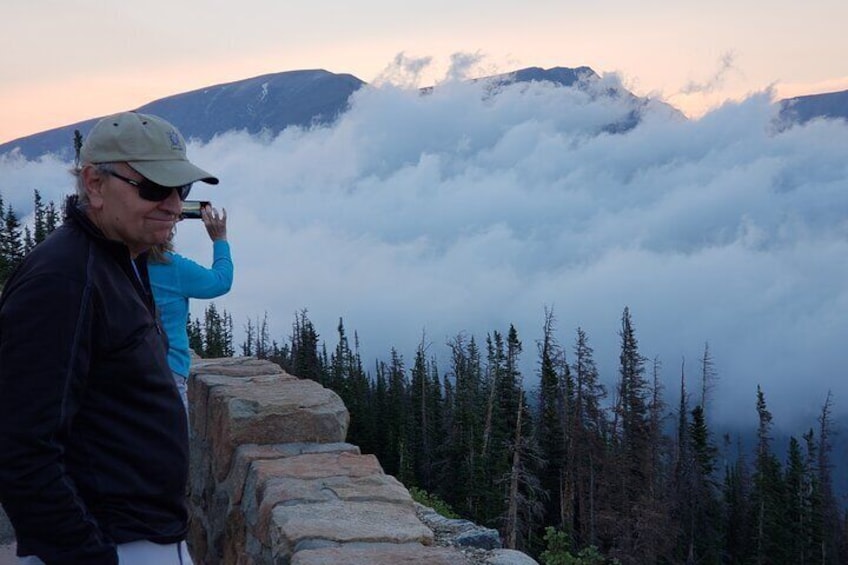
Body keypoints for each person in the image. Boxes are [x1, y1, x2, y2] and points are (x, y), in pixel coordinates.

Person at [0, 111, 218, 564]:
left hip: (134, 536)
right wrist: (89, 556)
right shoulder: (62, 280)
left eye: (183, 189)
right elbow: (20, 447)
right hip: (112, 543)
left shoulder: (118, 260)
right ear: (94, 184)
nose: (174, 205)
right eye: (154, 189)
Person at [149, 205, 233, 411]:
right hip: (168, 369)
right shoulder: (170, 267)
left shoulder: (115, 261)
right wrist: (220, 239)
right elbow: (221, 281)